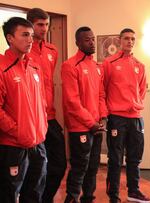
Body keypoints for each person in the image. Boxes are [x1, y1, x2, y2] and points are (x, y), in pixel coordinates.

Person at [0, 17, 48, 203]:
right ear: (10, 38)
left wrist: (41, 129)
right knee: (9, 195)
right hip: (14, 146)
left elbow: (41, 102)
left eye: (31, 36)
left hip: (38, 144)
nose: (31, 40)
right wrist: (19, 132)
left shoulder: (34, 67)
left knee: (35, 193)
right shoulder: (2, 68)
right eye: (25, 35)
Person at [103, 28, 150, 203]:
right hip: (117, 117)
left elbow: (141, 91)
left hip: (136, 118)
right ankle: (114, 196)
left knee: (134, 158)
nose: (129, 42)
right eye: (126, 38)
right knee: (115, 159)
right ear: (119, 41)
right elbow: (104, 89)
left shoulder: (140, 65)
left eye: (132, 39)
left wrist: (135, 106)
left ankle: (133, 191)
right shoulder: (109, 63)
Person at [62, 26, 108, 203]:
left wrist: (102, 117)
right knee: (80, 166)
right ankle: (72, 198)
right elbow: (72, 102)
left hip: (96, 125)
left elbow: (101, 95)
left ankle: (88, 198)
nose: (92, 42)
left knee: (93, 166)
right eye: (87, 39)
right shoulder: (70, 65)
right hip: (80, 126)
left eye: (93, 39)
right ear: (78, 43)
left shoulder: (97, 67)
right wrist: (91, 123)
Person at [27, 8, 67, 202]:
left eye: (47, 24)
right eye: (40, 25)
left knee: (59, 164)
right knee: (35, 169)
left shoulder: (53, 50)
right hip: (32, 119)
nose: (44, 29)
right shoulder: (24, 50)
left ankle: (46, 198)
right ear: (31, 25)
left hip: (50, 117)